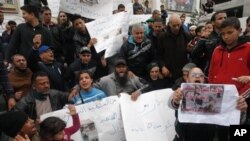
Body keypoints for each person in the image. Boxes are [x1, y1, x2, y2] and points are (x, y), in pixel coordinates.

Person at [169, 67, 248, 141]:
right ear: (187, 79)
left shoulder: (215, 95)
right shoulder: (180, 92)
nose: (197, 77)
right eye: (193, 75)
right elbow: (171, 104)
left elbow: (231, 118)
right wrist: (175, 100)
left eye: (201, 75)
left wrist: (241, 110)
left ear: (204, 80)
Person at [209, 17, 250, 127]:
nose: (226, 36)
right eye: (223, 34)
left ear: (240, 31)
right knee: (221, 130)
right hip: (219, 100)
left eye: (230, 32)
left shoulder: (248, 49)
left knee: (238, 130)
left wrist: (241, 96)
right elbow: (211, 73)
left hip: (241, 102)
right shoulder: (217, 50)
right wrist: (213, 94)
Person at [158, 14, 191, 84]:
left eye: (178, 25)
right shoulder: (162, 37)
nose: (176, 28)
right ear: (169, 24)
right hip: (167, 72)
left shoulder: (187, 36)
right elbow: (158, 54)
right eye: (174, 25)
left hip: (182, 72)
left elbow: (191, 54)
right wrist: (162, 67)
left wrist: (190, 50)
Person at [192, 11, 227, 75]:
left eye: (225, 18)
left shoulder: (230, 36)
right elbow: (194, 55)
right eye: (220, 18)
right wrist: (203, 39)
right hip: (210, 72)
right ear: (213, 22)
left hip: (226, 71)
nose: (223, 20)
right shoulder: (207, 37)